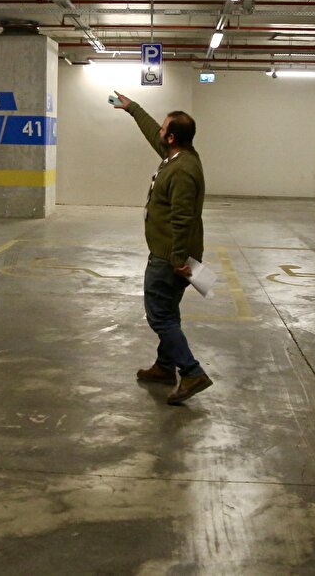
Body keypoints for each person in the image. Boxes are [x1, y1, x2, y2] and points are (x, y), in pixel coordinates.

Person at [112, 91, 212, 405]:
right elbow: (151, 130)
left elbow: (182, 218)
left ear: (171, 138)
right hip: (172, 252)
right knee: (169, 311)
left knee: (160, 317)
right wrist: (132, 109)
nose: (159, 131)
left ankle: (192, 371)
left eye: (164, 129)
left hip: (170, 255)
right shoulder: (179, 154)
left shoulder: (182, 170)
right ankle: (164, 367)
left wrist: (178, 259)